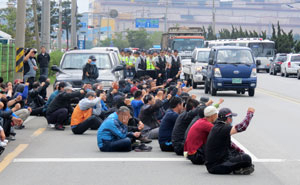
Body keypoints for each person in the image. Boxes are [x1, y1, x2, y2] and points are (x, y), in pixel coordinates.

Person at [205, 107, 255, 175]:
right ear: (228, 119)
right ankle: (237, 169)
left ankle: (238, 167)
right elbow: (242, 127)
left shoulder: (217, 126)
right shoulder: (223, 128)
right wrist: (250, 114)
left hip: (214, 163)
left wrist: (240, 152)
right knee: (246, 158)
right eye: (231, 118)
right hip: (216, 166)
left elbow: (230, 144)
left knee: (239, 154)